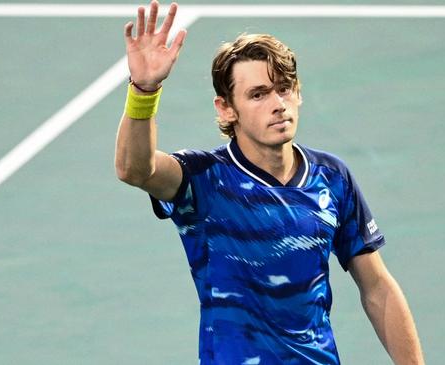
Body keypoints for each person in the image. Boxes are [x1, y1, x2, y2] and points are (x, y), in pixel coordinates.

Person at [115, 2, 425, 364]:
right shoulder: (203, 179)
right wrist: (144, 92)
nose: (278, 104)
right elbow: (135, 170)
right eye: (258, 94)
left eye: (284, 89)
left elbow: (377, 287)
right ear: (226, 108)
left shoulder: (331, 178)